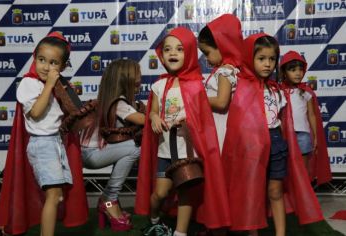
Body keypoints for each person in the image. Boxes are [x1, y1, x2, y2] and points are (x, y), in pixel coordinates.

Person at [222, 33, 324, 236]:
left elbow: (285, 121)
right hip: (251, 147)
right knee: (252, 191)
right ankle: (253, 233)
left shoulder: (277, 90)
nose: (267, 64)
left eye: (272, 59)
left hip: (276, 142)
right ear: (249, 58)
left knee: (275, 191)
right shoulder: (240, 87)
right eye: (261, 58)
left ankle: (280, 233)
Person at [135, 27, 230, 236]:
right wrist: (154, 117)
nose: (172, 53)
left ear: (188, 53)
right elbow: (153, 111)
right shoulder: (159, 85)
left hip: (188, 150)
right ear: (162, 55)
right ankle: (154, 218)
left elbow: (204, 118)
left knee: (186, 193)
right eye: (167, 49)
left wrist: (191, 119)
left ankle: (180, 232)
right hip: (164, 151)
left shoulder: (197, 85)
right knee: (159, 193)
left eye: (179, 49)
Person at [0, 32, 88, 236]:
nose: (46, 66)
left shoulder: (58, 87)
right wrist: (49, 86)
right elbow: (36, 113)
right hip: (42, 144)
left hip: (56, 143)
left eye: (53, 62)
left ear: (62, 67)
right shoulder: (30, 83)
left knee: (58, 197)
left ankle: (6, 229)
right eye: (41, 60)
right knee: (54, 196)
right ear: (34, 58)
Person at [79, 59, 144, 232]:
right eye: (137, 75)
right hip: (91, 154)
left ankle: (107, 201)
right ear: (126, 80)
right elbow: (143, 120)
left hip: (90, 152)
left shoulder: (109, 99)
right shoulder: (119, 102)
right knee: (135, 147)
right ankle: (109, 199)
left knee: (126, 147)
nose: (141, 79)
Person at [279, 50, 331, 185]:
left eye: (300, 70)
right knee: (285, 169)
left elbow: (312, 115)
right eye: (292, 70)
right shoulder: (278, 90)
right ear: (284, 72)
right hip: (284, 135)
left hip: (303, 135)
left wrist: (314, 136)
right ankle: (289, 198)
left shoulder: (306, 91)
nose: (298, 73)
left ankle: (303, 198)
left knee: (302, 170)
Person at [198, 13, 243, 153]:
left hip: (221, 132)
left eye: (207, 53)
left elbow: (221, 102)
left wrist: (195, 98)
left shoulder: (225, 71)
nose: (206, 58)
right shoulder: (230, 69)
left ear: (221, 45)